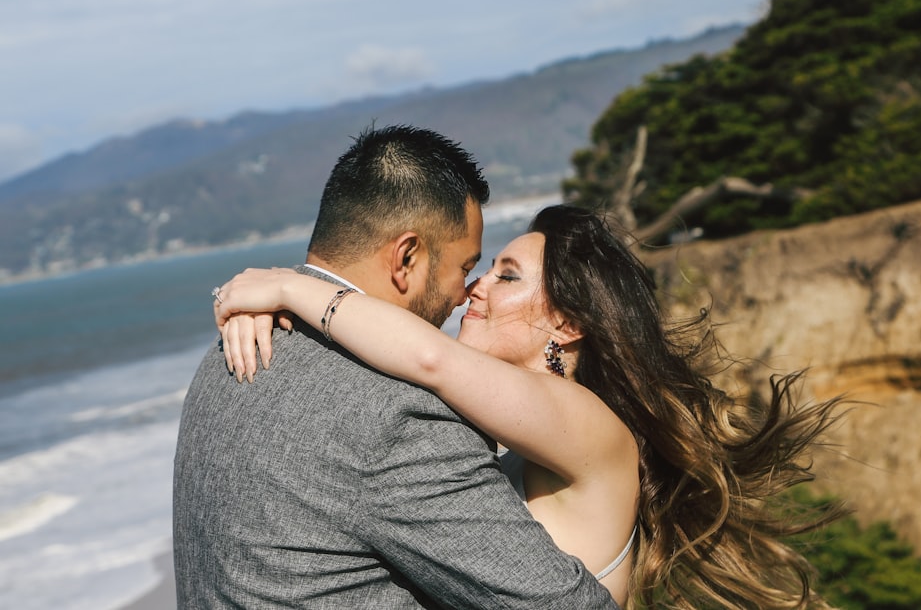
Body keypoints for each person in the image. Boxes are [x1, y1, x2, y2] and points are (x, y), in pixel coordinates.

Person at [215, 204, 847, 609]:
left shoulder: (587, 421)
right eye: (485, 269)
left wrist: (291, 287)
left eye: (507, 276)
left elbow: (427, 359)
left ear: (566, 322)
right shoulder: (525, 432)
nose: (476, 288)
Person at [172, 125, 618, 609]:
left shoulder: (225, 352)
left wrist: (290, 287)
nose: (466, 293)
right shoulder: (397, 416)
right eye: (466, 268)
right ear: (406, 257)